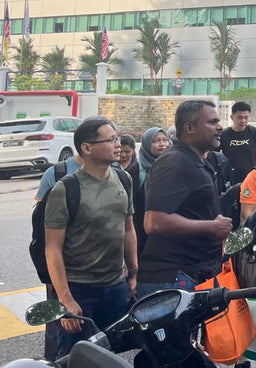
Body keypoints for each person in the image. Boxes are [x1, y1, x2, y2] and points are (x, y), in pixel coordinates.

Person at [44, 117, 137, 359]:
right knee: (76, 358)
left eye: (117, 138)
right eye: (111, 139)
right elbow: (53, 249)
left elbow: (128, 229)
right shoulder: (66, 189)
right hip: (79, 290)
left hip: (115, 287)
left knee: (111, 357)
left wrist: (133, 273)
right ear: (87, 148)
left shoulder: (123, 179)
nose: (118, 144)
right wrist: (65, 300)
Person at [137, 100, 233, 297]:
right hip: (173, 278)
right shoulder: (174, 162)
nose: (219, 127)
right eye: (212, 122)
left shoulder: (195, 160)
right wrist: (212, 227)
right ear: (189, 127)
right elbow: (154, 222)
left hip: (194, 274)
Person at [34, 153, 83, 361]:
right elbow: (40, 217)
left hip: (99, 271)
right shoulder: (56, 172)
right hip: (60, 263)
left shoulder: (115, 173)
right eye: (110, 140)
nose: (116, 145)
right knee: (58, 325)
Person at [129, 127, 170, 255]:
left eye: (165, 140)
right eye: (156, 141)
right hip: (143, 235)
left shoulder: (173, 166)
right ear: (147, 144)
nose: (162, 144)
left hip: (169, 233)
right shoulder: (135, 170)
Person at [219, 101, 256, 184]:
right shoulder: (224, 135)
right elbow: (212, 156)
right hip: (229, 180)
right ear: (232, 117)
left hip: (252, 179)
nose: (243, 121)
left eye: (246, 117)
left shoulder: (254, 132)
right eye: (239, 118)